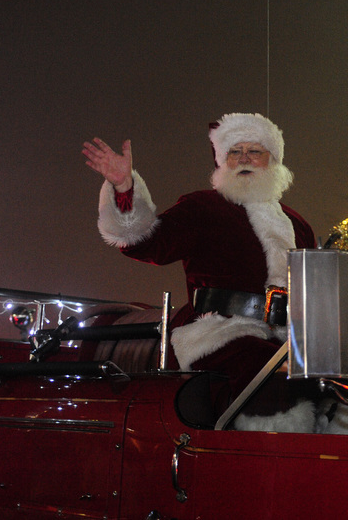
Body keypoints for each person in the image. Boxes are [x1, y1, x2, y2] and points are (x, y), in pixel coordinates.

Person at [82, 113, 320, 432]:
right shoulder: (203, 207)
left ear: (273, 160)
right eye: (235, 151)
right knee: (267, 369)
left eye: (254, 151)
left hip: (287, 336)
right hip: (219, 332)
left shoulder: (297, 225)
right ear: (222, 161)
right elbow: (148, 242)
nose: (244, 158)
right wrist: (124, 187)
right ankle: (273, 448)